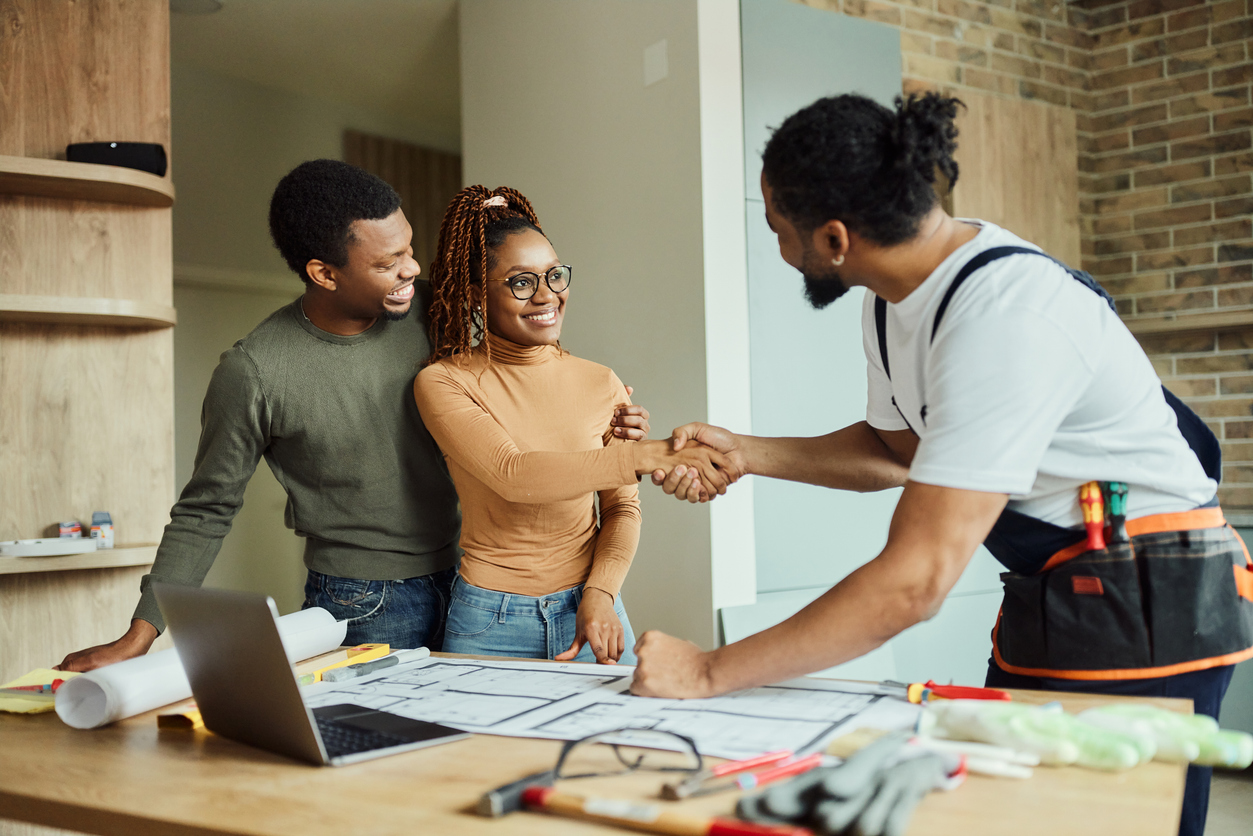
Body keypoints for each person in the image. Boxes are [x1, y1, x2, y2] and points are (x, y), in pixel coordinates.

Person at [631, 94, 1253, 836]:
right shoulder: (892, 301)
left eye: (776, 229)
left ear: (832, 238)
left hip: (1149, 599)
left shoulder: (1006, 316)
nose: (776, 248)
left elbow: (914, 583)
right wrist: (750, 453)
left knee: (1098, 821)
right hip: (1055, 589)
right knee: (1005, 808)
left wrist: (705, 672)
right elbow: (900, 455)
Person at [57, 161, 650, 672]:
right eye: (390, 262)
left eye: (410, 249)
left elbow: (523, 359)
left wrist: (609, 417)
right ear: (324, 272)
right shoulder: (256, 371)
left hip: (473, 579)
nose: (413, 271)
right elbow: (205, 509)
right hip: (367, 600)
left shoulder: (431, 313)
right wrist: (141, 634)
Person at [413, 186, 733, 665]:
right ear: (479, 297)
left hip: (591, 610)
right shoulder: (443, 382)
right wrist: (652, 454)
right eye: (522, 282)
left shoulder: (601, 381)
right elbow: (515, 475)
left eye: (555, 276)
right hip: (487, 621)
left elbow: (622, 508)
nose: (547, 296)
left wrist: (601, 593)